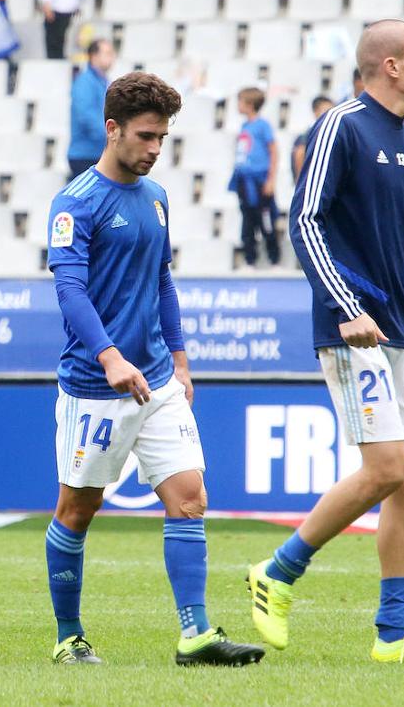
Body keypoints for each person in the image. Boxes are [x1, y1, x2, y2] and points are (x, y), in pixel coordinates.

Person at [249, 19, 404, 665]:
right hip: (355, 331)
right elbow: (305, 220)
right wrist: (346, 308)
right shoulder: (341, 126)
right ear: (391, 66)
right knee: (387, 468)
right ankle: (277, 572)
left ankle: (395, 632)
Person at [43, 72, 265, 668]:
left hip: (159, 380)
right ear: (112, 129)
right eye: (146, 136)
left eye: (163, 138)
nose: (155, 148)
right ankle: (69, 637)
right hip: (96, 386)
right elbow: (69, 290)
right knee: (77, 510)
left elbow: (162, 280)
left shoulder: (157, 197)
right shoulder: (75, 202)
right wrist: (109, 355)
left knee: (190, 498)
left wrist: (181, 359)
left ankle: (195, 635)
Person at [229, 86, 280, 268]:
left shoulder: (262, 125)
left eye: (240, 101)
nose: (238, 105)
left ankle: (274, 259)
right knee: (247, 221)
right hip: (244, 182)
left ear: (250, 104)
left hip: (259, 182)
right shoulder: (244, 126)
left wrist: (270, 180)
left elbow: (274, 151)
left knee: (266, 221)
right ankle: (250, 259)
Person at [66, 39, 113, 178]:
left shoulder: (103, 82)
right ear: (94, 56)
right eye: (107, 53)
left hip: (98, 153)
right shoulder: (84, 81)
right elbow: (86, 116)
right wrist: (110, 137)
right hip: (85, 155)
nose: (112, 57)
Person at [292, 95, 334, 184]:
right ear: (316, 111)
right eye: (326, 110)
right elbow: (300, 154)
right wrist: (301, 183)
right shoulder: (309, 133)